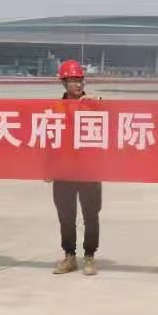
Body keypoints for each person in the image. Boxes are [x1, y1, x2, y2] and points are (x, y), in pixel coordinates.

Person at [52, 59, 102, 277]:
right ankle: (69, 255)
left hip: (89, 170)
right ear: (64, 83)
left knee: (91, 215)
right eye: (73, 80)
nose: (78, 84)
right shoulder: (56, 108)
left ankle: (89, 255)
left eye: (80, 80)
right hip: (63, 171)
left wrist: (98, 103)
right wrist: (47, 168)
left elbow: (113, 121)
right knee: (66, 215)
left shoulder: (94, 104)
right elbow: (48, 139)